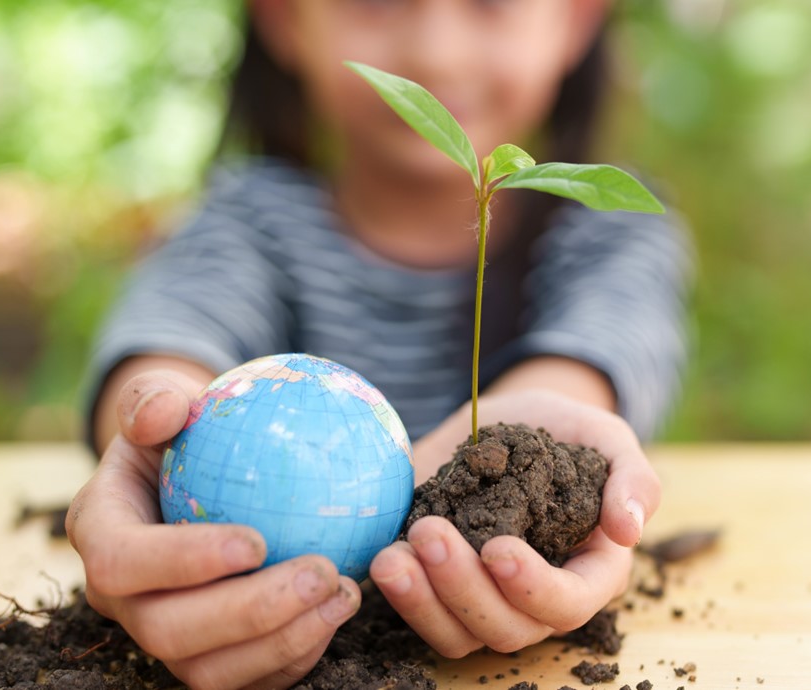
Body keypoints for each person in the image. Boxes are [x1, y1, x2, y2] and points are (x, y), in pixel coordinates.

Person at [66, 1, 692, 688]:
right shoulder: (247, 222)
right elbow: (171, 338)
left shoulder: (604, 237)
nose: (435, 55)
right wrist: (153, 433)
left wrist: (534, 450)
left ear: (574, 21)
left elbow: (590, 360)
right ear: (282, 18)